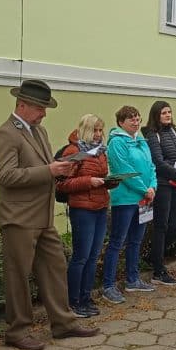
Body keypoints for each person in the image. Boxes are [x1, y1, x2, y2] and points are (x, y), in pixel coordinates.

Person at [0, 80, 98, 350]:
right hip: (19, 217)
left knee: (55, 266)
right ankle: (17, 330)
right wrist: (50, 171)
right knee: (18, 275)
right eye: (40, 108)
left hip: (42, 216)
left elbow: (44, 168)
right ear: (22, 105)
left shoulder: (39, 131)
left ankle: (64, 323)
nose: (44, 113)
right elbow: (7, 176)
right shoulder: (5, 134)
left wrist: (63, 170)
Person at [56, 114, 117, 316]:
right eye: (95, 130)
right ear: (85, 130)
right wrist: (88, 182)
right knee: (81, 257)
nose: (99, 134)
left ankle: (86, 296)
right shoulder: (74, 151)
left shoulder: (100, 152)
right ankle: (73, 301)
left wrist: (110, 182)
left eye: (101, 130)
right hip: (82, 209)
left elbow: (100, 176)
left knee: (93, 256)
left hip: (100, 205)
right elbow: (61, 184)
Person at [101, 106, 158, 303]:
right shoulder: (117, 142)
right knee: (118, 242)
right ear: (120, 122)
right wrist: (144, 189)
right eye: (131, 119)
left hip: (145, 199)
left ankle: (132, 280)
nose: (136, 122)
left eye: (137, 118)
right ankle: (108, 285)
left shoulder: (142, 141)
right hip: (125, 199)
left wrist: (153, 186)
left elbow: (151, 166)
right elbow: (123, 169)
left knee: (136, 240)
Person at [143, 101, 176, 286]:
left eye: (169, 112)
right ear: (156, 115)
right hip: (163, 184)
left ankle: (153, 256)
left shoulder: (175, 131)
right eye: (164, 112)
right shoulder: (152, 134)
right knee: (161, 226)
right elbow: (158, 161)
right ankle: (158, 269)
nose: (168, 115)